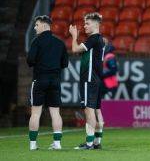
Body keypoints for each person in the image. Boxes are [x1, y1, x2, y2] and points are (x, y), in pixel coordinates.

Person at [27, 15, 68, 150]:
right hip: (55, 81)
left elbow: (30, 61)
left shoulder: (36, 41)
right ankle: (57, 143)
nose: (35, 27)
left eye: (37, 25)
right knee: (55, 112)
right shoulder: (60, 43)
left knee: (36, 112)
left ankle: (33, 144)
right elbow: (65, 63)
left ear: (44, 26)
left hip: (40, 79)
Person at [69, 12, 105, 150]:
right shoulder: (100, 39)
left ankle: (89, 143)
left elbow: (74, 49)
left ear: (96, 25)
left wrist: (74, 37)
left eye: (87, 23)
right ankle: (97, 141)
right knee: (96, 110)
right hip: (96, 79)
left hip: (88, 79)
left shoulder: (93, 39)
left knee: (89, 111)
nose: (84, 26)